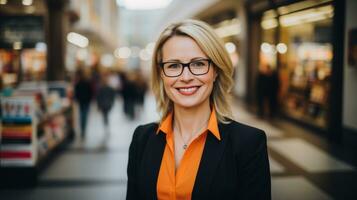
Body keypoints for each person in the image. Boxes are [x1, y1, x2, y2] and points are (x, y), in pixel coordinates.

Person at [126, 19, 271, 200]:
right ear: (161, 73)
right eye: (173, 65)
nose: (186, 77)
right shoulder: (142, 138)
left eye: (198, 64)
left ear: (215, 70)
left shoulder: (248, 143)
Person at [74, 69, 92, 139]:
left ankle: (82, 129)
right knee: (85, 115)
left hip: (81, 101)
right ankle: (83, 129)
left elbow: (76, 93)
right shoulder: (87, 83)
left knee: (82, 115)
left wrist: (77, 99)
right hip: (86, 101)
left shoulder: (78, 84)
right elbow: (90, 92)